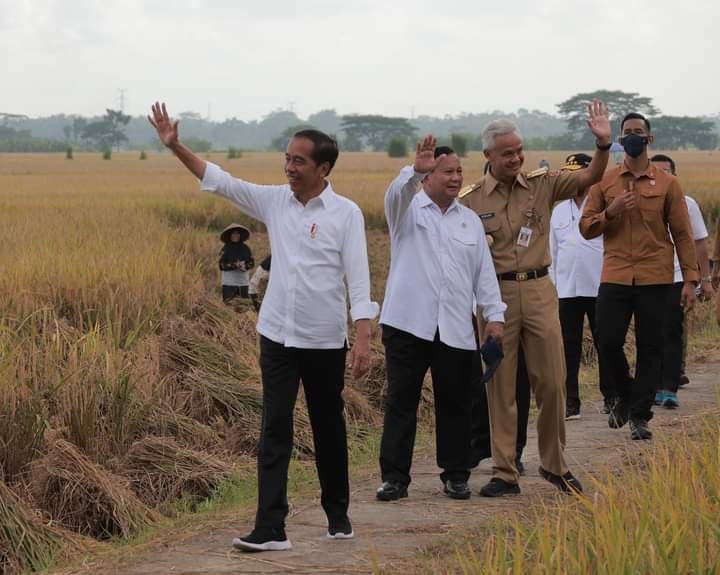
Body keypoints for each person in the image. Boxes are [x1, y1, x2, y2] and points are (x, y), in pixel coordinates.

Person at [148, 103, 379, 551]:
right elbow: (222, 181)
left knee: (328, 426)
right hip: (277, 335)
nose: (289, 167)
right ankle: (271, 527)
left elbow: (359, 276)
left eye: (299, 161)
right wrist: (176, 146)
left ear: (323, 168)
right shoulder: (275, 201)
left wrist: (364, 336)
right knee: (274, 427)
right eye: (287, 158)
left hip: (324, 338)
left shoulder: (346, 213)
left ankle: (338, 513)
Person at [460, 99, 611, 496]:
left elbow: (591, 176)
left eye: (519, 150)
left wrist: (602, 144)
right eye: (507, 153)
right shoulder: (470, 200)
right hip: (496, 297)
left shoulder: (543, 184)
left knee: (553, 382)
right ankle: (505, 471)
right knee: (501, 387)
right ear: (488, 156)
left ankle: (554, 464)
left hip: (541, 290)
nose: (516, 158)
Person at [376, 136, 506, 502]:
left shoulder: (469, 221)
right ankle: (395, 478)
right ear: (429, 176)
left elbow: (483, 273)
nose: (455, 178)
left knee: (456, 403)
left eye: (459, 171)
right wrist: (413, 171)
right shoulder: (407, 211)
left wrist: (494, 316)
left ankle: (456, 475)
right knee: (401, 402)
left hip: (455, 326)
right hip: (407, 324)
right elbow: (395, 195)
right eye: (447, 171)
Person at [580, 113, 699, 441]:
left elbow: (683, 234)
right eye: (627, 132)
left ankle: (639, 415)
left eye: (639, 132)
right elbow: (586, 227)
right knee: (607, 341)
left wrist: (690, 280)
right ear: (620, 140)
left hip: (655, 276)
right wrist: (611, 211)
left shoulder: (668, 184)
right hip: (615, 274)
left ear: (649, 138)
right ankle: (626, 393)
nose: (633, 136)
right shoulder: (605, 182)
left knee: (650, 346)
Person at [549, 153, 613, 419]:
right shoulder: (558, 210)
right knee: (568, 346)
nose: (571, 179)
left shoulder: (603, 204)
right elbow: (552, 252)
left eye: (577, 173)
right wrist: (554, 286)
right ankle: (571, 401)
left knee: (605, 343)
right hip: (567, 289)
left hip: (599, 286)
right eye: (567, 174)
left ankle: (612, 396)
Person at [650, 154, 714, 406]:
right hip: (647, 276)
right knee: (650, 332)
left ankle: (669, 387)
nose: (662, 176)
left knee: (672, 330)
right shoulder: (640, 202)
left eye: (667, 171)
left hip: (677, 275)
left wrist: (703, 279)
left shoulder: (688, 204)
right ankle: (652, 384)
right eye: (656, 171)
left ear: (675, 176)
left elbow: (699, 243)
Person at [219, 223, 254, 302]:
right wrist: (235, 265)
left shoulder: (246, 248)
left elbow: (252, 262)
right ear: (230, 235)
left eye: (237, 233)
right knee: (229, 305)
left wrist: (245, 266)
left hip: (243, 283)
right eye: (233, 233)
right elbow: (221, 265)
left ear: (240, 235)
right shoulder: (225, 249)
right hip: (229, 284)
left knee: (244, 305)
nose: (235, 235)